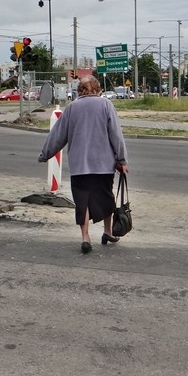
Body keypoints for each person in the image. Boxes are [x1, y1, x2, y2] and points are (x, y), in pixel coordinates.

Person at [38, 74, 129, 254]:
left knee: (83, 201)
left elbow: (58, 135)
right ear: (97, 88)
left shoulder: (72, 108)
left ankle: (85, 237)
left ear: (79, 90)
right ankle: (107, 231)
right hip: (103, 164)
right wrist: (122, 159)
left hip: (79, 165)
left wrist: (45, 154)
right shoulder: (105, 105)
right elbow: (116, 135)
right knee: (106, 197)